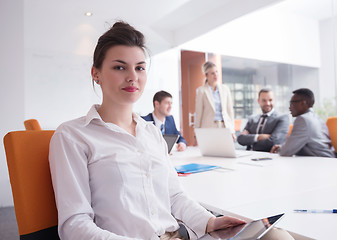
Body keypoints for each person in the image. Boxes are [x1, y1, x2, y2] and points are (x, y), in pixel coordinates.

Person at [48, 21, 246, 240]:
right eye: (119, 67)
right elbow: (74, 225)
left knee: (273, 234)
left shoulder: (151, 133)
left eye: (140, 67)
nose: (133, 76)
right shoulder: (73, 136)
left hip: (179, 235)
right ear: (96, 73)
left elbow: (175, 196)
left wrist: (210, 222)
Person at [271, 88, 335, 157]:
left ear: (303, 103)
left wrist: (280, 149)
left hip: (320, 162)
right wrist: (283, 147)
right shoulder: (316, 118)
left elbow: (285, 152)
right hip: (324, 159)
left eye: (292, 103)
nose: (289, 107)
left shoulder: (303, 120)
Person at [195, 61, 235, 141]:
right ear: (206, 75)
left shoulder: (225, 89)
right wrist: (196, 134)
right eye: (212, 73)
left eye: (216, 72)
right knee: (210, 152)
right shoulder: (201, 91)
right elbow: (199, 113)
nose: (216, 75)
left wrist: (232, 130)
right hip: (208, 127)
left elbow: (229, 111)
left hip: (224, 126)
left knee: (224, 151)